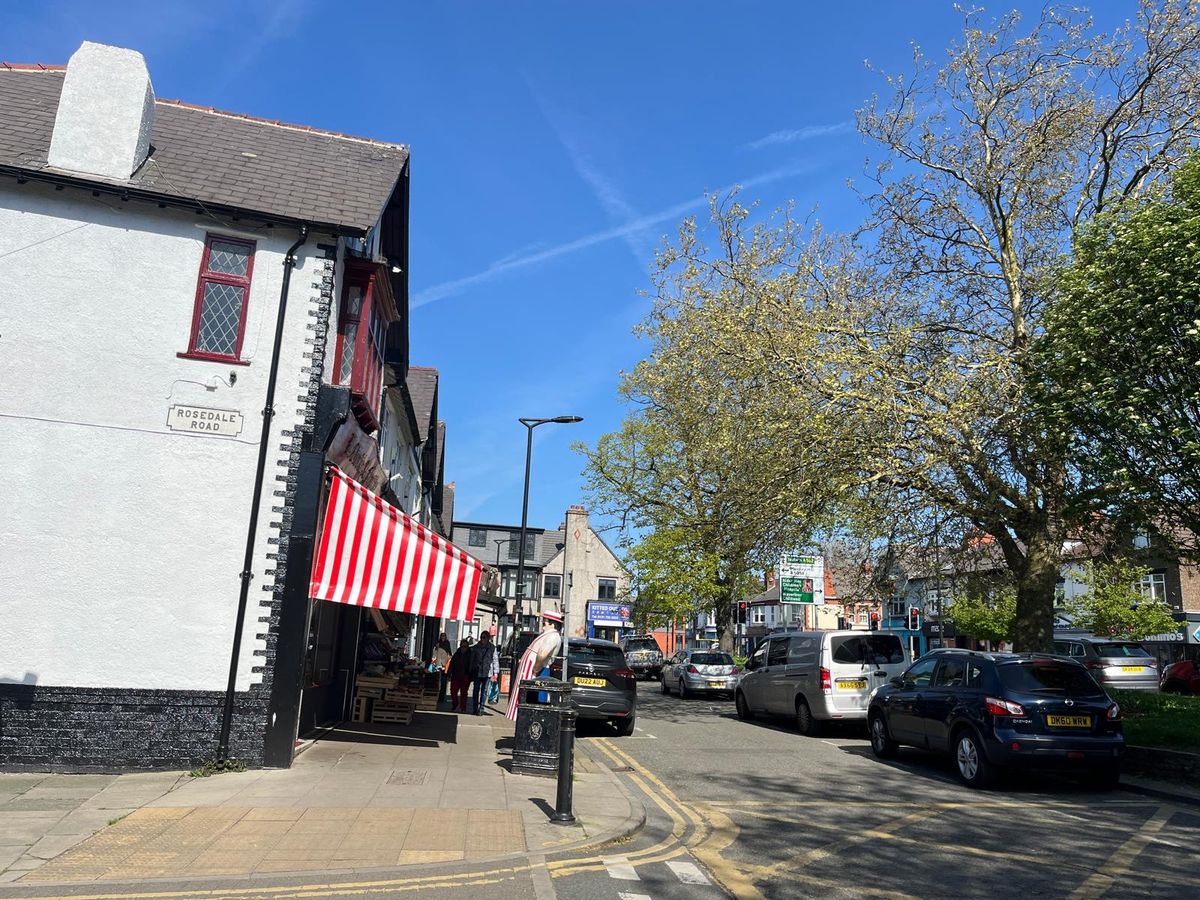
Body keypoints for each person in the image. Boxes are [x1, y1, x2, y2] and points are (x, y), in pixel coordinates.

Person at [505, 613, 563, 721]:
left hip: (537, 672)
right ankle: (525, 722)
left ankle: (529, 723)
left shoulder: (553, 636)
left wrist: (536, 668)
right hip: (534, 671)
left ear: (553, 624)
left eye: (545, 621)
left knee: (531, 700)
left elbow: (542, 654)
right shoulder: (549, 634)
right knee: (526, 698)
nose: (543, 623)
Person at [469, 631, 499, 715]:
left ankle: (481, 708)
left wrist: (496, 672)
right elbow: (472, 659)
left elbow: (495, 660)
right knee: (475, 690)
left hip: (487, 672)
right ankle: (475, 708)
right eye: (481, 637)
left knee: (484, 691)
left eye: (484, 637)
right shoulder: (476, 647)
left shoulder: (492, 647)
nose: (482, 639)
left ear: (488, 638)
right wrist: (470, 669)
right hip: (477, 671)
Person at [448, 638, 472, 713]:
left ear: (467, 647)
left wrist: (469, 675)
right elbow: (452, 663)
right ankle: (455, 704)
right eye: (462, 646)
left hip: (465, 676)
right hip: (456, 675)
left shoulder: (470, 654)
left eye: (465, 646)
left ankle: (463, 708)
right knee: (453, 692)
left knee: (464, 693)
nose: (463, 648)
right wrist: (449, 673)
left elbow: (472, 665)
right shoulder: (457, 653)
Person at [434, 632, 453, 704]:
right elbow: (435, 651)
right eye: (442, 636)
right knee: (438, 679)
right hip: (438, 662)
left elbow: (449, 651)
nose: (443, 637)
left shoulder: (447, 643)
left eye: (444, 636)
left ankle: (441, 697)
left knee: (443, 680)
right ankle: (438, 696)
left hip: (444, 663)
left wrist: (450, 658)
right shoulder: (438, 643)